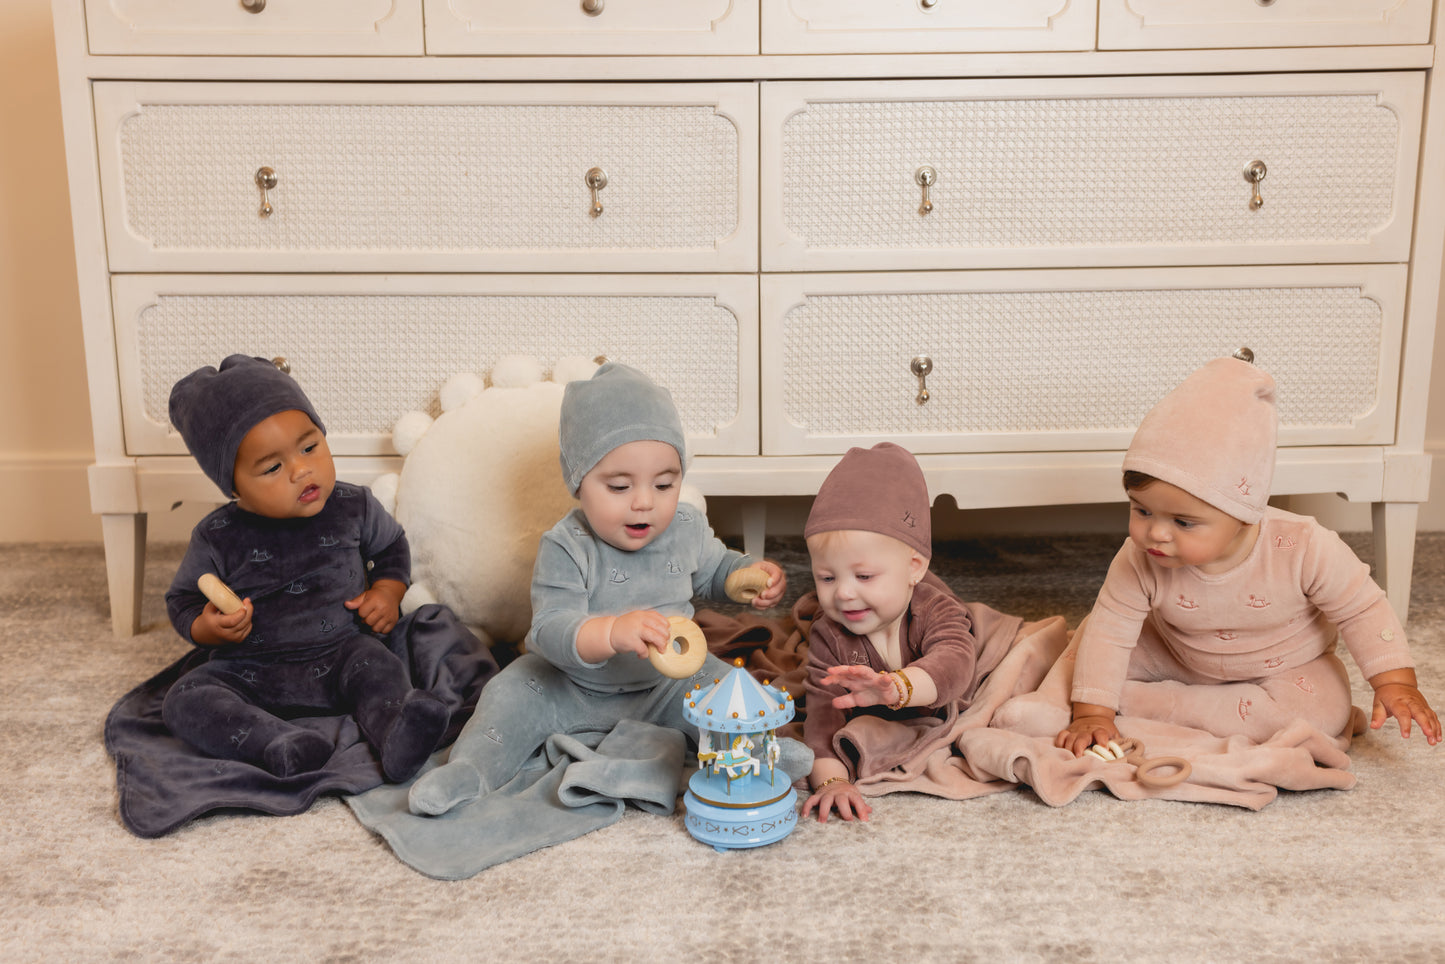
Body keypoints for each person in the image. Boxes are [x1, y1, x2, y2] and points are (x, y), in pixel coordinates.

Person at [407, 362, 809, 816]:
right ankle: (470, 770)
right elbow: (550, 629)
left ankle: (758, 753)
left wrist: (746, 578)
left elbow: (714, 569)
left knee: (726, 686)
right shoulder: (567, 545)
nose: (644, 501)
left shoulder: (685, 527)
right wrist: (612, 633)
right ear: (579, 483)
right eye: (619, 485)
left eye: (665, 483)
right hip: (570, 686)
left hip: (664, 684)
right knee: (508, 694)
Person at [1053, 356, 1441, 757]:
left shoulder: (1304, 547)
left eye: (1183, 522)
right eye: (1142, 510)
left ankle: (1151, 704)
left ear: (1245, 515)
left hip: (1284, 664)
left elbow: (1362, 608)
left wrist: (1395, 682)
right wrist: (1092, 713)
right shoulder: (1138, 557)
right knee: (1089, 648)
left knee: (1324, 713)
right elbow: (1112, 629)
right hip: (1176, 652)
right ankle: (1127, 705)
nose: (1155, 533)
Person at [163, 355, 480, 782]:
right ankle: (276, 744)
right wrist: (206, 628)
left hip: (344, 654)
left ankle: (396, 732)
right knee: (185, 698)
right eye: (273, 468)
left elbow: (390, 547)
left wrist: (387, 592)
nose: (301, 470)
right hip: (251, 669)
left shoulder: (354, 506)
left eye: (310, 446)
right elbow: (182, 600)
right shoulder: (217, 534)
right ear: (233, 484)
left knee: (382, 668)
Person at [799, 442, 989, 823]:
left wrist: (898, 687)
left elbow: (955, 663)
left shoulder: (933, 609)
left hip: (927, 680)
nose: (844, 592)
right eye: (826, 577)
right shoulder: (830, 636)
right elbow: (821, 718)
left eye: (864, 576)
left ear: (914, 567)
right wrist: (832, 782)